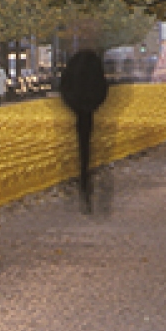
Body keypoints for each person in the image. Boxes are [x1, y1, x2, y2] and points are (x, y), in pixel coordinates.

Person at [60, 44, 109, 215]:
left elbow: (64, 86)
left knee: (82, 146)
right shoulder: (93, 63)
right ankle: (85, 182)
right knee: (86, 145)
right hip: (88, 109)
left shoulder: (74, 64)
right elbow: (103, 87)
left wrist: (73, 104)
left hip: (78, 108)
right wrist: (93, 105)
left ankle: (83, 182)